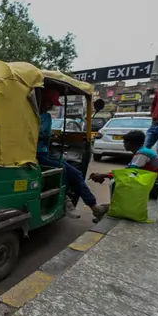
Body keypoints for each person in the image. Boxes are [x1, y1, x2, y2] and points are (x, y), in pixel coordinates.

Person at [37, 88, 108, 220]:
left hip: (44, 153)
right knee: (62, 170)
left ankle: (94, 207)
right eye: (49, 102)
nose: (51, 106)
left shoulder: (46, 117)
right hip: (34, 155)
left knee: (76, 173)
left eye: (52, 103)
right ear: (41, 101)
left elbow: (46, 136)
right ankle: (64, 199)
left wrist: (47, 137)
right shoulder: (30, 115)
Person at [89, 130, 158, 197]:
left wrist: (105, 175)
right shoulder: (142, 152)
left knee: (118, 183)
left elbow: (129, 173)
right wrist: (106, 175)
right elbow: (128, 170)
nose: (123, 144)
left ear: (131, 143)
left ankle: (116, 208)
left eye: (125, 142)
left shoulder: (142, 154)